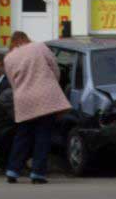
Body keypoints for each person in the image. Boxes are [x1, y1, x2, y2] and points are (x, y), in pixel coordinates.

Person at [4, 31, 71, 184]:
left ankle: (12, 170)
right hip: (45, 97)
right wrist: (51, 83)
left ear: (13, 42)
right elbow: (54, 68)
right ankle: (37, 173)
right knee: (43, 135)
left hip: (23, 98)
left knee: (22, 135)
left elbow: (12, 82)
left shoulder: (8, 58)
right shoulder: (39, 47)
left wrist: (21, 90)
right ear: (26, 38)